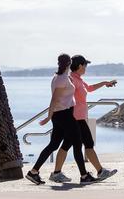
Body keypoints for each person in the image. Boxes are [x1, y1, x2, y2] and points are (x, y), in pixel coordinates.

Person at [26, 54, 98, 185]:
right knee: (77, 144)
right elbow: (54, 99)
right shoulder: (61, 79)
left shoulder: (60, 77)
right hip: (64, 115)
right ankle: (84, 175)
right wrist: (49, 116)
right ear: (69, 64)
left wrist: (52, 115)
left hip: (61, 115)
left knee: (53, 145)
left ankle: (34, 172)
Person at [49, 55, 118, 183]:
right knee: (88, 143)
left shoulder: (78, 79)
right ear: (80, 66)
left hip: (78, 117)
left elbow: (89, 89)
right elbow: (63, 95)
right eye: (85, 65)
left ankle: (57, 173)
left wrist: (104, 83)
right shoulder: (71, 79)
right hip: (75, 118)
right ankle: (99, 171)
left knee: (67, 145)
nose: (86, 68)